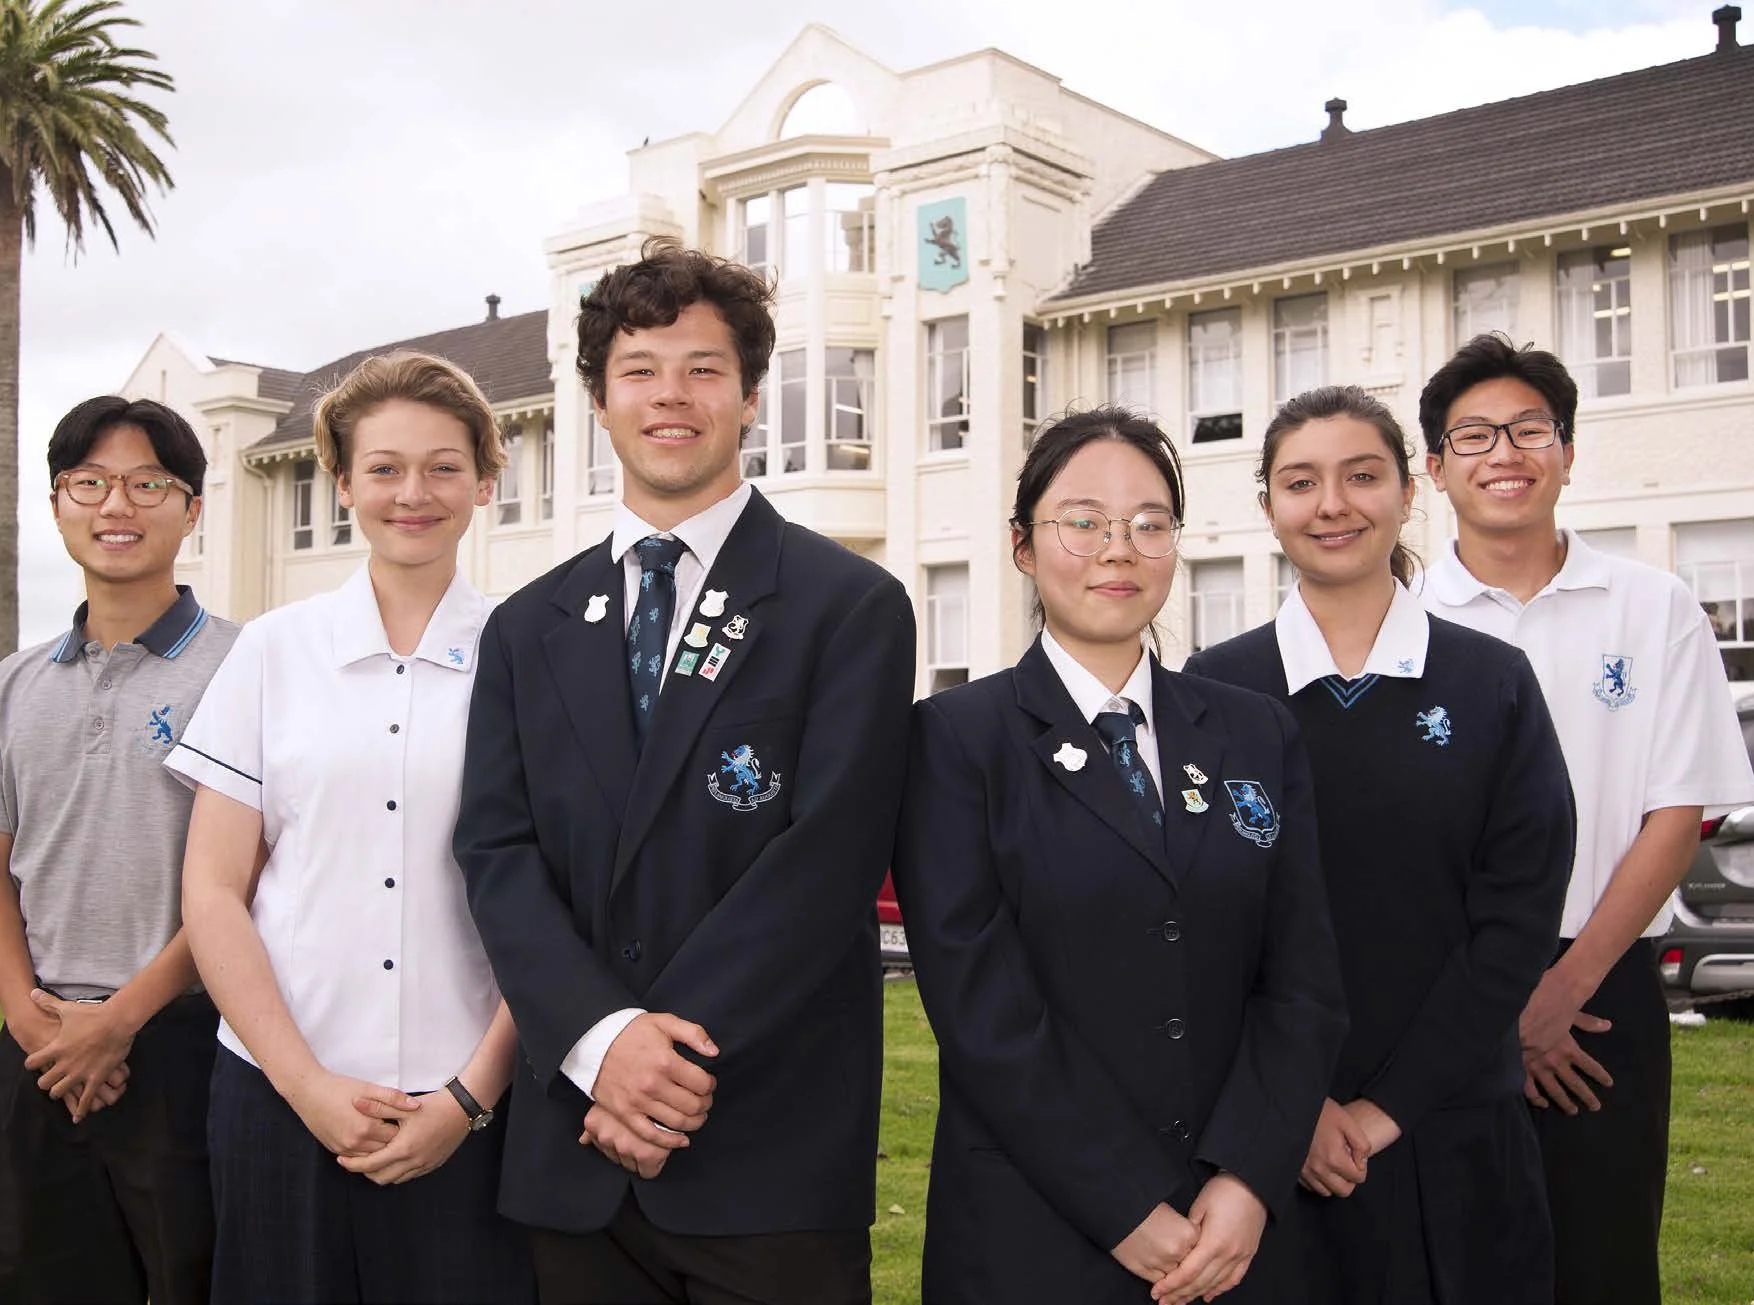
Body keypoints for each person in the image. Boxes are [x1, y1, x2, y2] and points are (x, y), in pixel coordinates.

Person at [454, 238, 916, 1304]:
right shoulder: (526, 628)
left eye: (704, 368)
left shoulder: (848, 607)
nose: (671, 395)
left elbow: (829, 858)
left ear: (751, 398)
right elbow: (497, 852)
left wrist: (658, 1066)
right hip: (574, 1153)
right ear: (599, 400)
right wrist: (601, 1043)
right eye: (640, 370)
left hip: (769, 1153)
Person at [891, 406, 1346, 1305]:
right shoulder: (955, 740)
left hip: (1233, 1234)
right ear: (1023, 546)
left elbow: (1302, 982)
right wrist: (1124, 1201)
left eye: (1149, 523)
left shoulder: (1255, 731)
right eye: (1084, 521)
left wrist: (1249, 1177)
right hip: (1034, 1229)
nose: (1119, 549)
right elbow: (983, 1009)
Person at [1186, 385, 1574, 1303]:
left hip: (1454, 1128)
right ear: (1269, 506)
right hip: (1262, 1147)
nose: (1332, 504)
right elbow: (1199, 923)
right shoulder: (1211, 691)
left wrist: (1382, 1108)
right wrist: (1294, 1105)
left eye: (1362, 476)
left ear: (1408, 491)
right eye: (1300, 482)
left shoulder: (1492, 682)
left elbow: (1517, 917)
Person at [169, 351, 533, 1304]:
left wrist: (469, 1097)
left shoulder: (531, 658)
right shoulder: (271, 650)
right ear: (342, 483)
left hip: (475, 1109)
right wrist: (304, 1085)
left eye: (444, 467)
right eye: (383, 468)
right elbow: (213, 888)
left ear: (484, 482)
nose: (413, 493)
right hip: (278, 1098)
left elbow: (558, 903)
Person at [1417, 334, 1754, 1305]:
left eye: (1531, 429)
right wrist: (1495, 1006)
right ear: (1435, 468)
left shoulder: (1654, 607)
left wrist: (1562, 990)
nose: (1504, 453)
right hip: (1436, 990)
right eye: (1474, 435)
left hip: (1602, 990)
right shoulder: (1399, 621)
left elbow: (1674, 812)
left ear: (1568, 451)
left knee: (1601, 1264)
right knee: (1443, 1268)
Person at [0, 396, 236, 1304]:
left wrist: (121, 1020)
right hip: (38, 1041)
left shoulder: (246, 668)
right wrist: (32, 1021)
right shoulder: (14, 684)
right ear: (57, 503)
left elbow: (249, 878)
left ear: (192, 508)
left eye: (148, 483)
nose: (117, 504)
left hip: (187, 1041)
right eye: (90, 482)